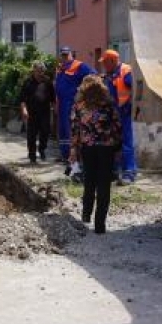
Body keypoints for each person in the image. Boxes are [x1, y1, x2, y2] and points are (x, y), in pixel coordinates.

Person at [70, 75, 122, 235]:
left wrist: (73, 149)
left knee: (89, 182)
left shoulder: (79, 106)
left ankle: (86, 214)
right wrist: (118, 148)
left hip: (88, 148)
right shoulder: (108, 105)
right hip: (107, 149)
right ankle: (100, 225)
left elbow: (75, 129)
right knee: (104, 186)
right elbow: (117, 126)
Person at [99, 49, 136, 184]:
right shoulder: (110, 74)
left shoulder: (125, 71)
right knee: (113, 143)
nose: (103, 65)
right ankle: (114, 171)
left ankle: (129, 173)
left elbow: (136, 89)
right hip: (113, 113)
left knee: (126, 143)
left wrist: (129, 105)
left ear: (112, 61)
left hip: (124, 112)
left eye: (105, 62)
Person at [55, 46, 95, 163]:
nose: (64, 57)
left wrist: (81, 90)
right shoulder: (61, 68)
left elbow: (93, 75)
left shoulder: (79, 66)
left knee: (70, 130)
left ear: (72, 54)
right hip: (62, 103)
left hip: (72, 103)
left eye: (67, 54)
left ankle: (72, 156)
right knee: (62, 130)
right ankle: (64, 154)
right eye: (63, 55)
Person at [18, 60, 55, 163]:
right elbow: (22, 99)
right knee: (31, 135)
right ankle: (32, 156)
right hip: (32, 113)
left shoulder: (48, 82)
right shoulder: (28, 82)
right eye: (38, 71)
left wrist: (55, 109)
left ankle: (42, 148)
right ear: (33, 70)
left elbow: (53, 98)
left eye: (42, 71)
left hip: (45, 113)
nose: (40, 73)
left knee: (45, 132)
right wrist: (24, 110)